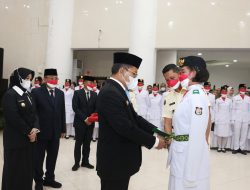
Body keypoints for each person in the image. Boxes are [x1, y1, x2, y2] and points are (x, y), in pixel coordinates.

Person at [96, 52, 167, 190]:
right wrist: (155, 142)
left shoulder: (119, 90)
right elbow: (125, 127)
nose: (135, 78)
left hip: (121, 160)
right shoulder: (110, 92)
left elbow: (135, 118)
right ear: (122, 70)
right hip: (114, 162)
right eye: (134, 74)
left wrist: (158, 131)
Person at [168, 56, 210, 190]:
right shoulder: (190, 94)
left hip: (188, 159)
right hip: (181, 154)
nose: (180, 76)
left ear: (193, 73)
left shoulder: (197, 96)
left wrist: (191, 175)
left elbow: (197, 135)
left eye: (183, 71)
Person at [1, 68, 39, 190]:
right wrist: (28, 131)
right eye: (26, 78)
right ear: (18, 78)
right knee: (14, 170)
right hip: (15, 140)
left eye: (30, 78)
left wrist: (35, 128)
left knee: (26, 170)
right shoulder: (10, 94)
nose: (29, 81)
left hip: (29, 140)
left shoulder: (28, 94)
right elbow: (13, 117)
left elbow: (35, 113)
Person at [32, 68, 66, 190]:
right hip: (41, 132)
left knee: (52, 157)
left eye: (56, 78)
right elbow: (33, 113)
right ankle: (39, 181)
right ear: (45, 79)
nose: (54, 80)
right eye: (51, 78)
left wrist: (63, 129)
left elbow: (62, 112)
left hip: (55, 132)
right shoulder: (36, 92)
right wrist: (35, 129)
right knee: (39, 158)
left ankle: (49, 179)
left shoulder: (60, 93)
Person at [72, 76, 98, 171]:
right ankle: (76, 163)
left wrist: (91, 118)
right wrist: (85, 118)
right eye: (90, 83)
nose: (92, 85)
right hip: (80, 123)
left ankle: (85, 162)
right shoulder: (77, 93)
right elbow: (75, 108)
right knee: (78, 143)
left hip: (90, 123)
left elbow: (96, 107)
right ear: (85, 83)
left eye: (93, 83)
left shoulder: (95, 94)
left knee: (87, 144)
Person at [162, 64, 186, 140]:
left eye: (172, 78)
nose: (170, 82)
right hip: (177, 140)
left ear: (180, 74)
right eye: (167, 80)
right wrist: (169, 142)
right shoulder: (168, 97)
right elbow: (167, 122)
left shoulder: (190, 91)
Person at [231, 84, 250, 155]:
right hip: (237, 118)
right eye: (241, 89)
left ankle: (242, 148)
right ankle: (236, 148)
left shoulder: (248, 98)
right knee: (236, 133)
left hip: (246, 118)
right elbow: (233, 109)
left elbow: (249, 110)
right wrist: (232, 119)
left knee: (244, 134)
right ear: (239, 90)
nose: (243, 90)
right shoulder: (235, 98)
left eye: (244, 89)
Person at [214, 87, 233, 153]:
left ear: (226, 92)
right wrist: (216, 119)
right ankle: (219, 147)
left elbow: (231, 111)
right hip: (219, 119)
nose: (224, 93)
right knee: (219, 134)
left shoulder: (230, 100)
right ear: (221, 92)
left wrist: (231, 120)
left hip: (227, 119)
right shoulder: (217, 100)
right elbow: (216, 110)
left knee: (226, 134)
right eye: (223, 91)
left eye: (225, 92)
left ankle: (223, 147)